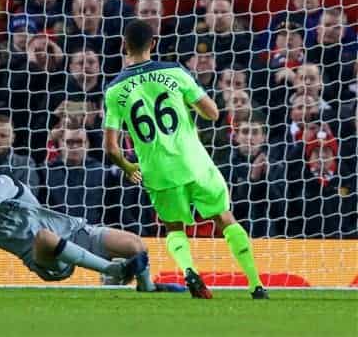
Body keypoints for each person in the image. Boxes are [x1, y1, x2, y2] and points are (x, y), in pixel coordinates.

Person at [102, 19, 268, 299]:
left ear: (124, 45)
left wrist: (129, 167)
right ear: (153, 44)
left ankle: (190, 270)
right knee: (225, 218)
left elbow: (111, 149)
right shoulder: (175, 72)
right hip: (195, 163)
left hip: (158, 171)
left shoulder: (115, 91)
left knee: (174, 227)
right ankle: (256, 285)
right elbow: (213, 113)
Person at [0, 151, 185, 293]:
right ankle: (111, 271)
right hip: (46, 261)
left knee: (135, 245)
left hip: (73, 230)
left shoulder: (3, 183)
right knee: (43, 237)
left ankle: (147, 288)